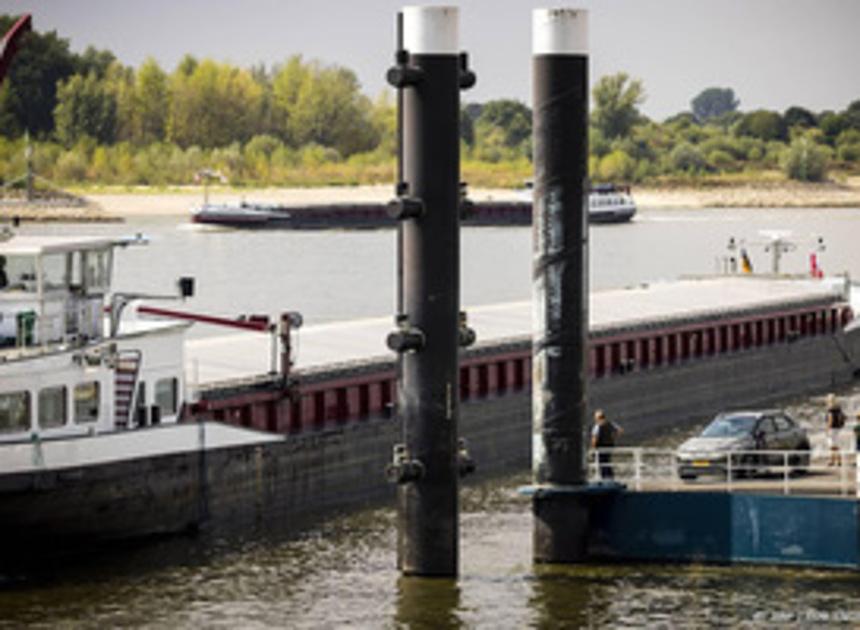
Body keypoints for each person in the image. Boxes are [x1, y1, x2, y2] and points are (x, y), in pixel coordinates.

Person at [591, 409, 622, 480]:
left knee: (602, 463)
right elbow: (620, 430)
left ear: (597, 418)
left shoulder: (597, 426)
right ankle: (610, 477)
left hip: (601, 447)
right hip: (610, 446)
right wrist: (613, 437)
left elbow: (594, 438)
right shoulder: (610, 423)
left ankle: (604, 478)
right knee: (607, 461)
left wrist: (593, 448)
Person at [824, 393, 845, 466]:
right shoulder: (838, 408)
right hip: (838, 429)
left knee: (832, 446)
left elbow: (830, 420)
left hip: (832, 429)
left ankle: (832, 461)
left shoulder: (830, 409)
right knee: (836, 445)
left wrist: (827, 429)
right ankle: (838, 460)